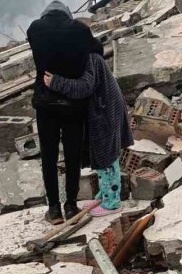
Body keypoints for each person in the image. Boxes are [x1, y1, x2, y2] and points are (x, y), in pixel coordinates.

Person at [27, 1, 103, 221]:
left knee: (49, 157)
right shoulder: (80, 30)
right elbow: (98, 49)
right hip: (73, 104)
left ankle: (53, 208)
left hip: (45, 104)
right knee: (72, 157)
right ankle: (70, 205)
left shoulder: (35, 29)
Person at [43, 50, 133, 215]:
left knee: (107, 159)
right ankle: (104, 195)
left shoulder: (88, 57)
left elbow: (84, 87)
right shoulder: (86, 53)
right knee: (102, 158)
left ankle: (112, 202)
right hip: (105, 110)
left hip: (105, 113)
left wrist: (56, 82)